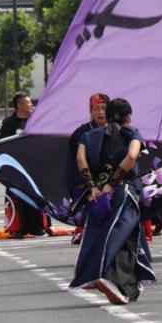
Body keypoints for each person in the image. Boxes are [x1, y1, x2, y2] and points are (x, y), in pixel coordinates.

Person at [69, 97, 155, 305]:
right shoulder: (131, 132)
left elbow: (81, 160)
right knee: (122, 237)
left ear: (106, 115)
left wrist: (95, 187)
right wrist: (112, 184)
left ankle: (127, 284)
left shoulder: (88, 136)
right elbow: (132, 156)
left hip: (98, 197)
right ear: (128, 117)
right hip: (124, 191)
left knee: (107, 235)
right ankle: (109, 277)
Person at [0, 92, 49, 238]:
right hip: (16, 165)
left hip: (35, 164)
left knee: (36, 196)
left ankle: (39, 226)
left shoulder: (36, 120)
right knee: (18, 196)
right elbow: (2, 142)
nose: (30, 106)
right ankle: (18, 227)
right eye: (27, 103)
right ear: (19, 105)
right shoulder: (9, 123)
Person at [64, 92, 109, 245]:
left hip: (107, 179)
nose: (100, 112)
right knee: (87, 211)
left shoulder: (116, 129)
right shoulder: (82, 133)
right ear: (91, 112)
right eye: (96, 109)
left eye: (104, 108)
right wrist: (90, 183)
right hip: (84, 178)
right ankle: (84, 232)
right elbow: (79, 160)